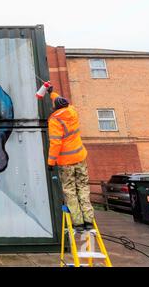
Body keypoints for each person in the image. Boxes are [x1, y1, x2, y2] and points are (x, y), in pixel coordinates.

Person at [46, 85, 94, 233]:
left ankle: (78, 223)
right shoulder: (72, 111)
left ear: (55, 107)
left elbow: (56, 143)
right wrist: (52, 93)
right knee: (83, 188)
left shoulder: (55, 121)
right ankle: (89, 221)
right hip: (80, 157)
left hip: (66, 162)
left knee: (70, 191)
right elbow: (60, 101)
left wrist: (50, 162)